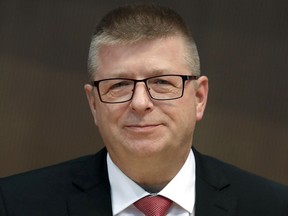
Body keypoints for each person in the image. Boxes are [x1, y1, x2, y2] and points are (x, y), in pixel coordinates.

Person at [0, 4, 287, 216]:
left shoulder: (272, 206)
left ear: (199, 97)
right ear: (94, 104)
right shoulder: (14, 204)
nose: (139, 102)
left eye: (162, 82)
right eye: (119, 84)